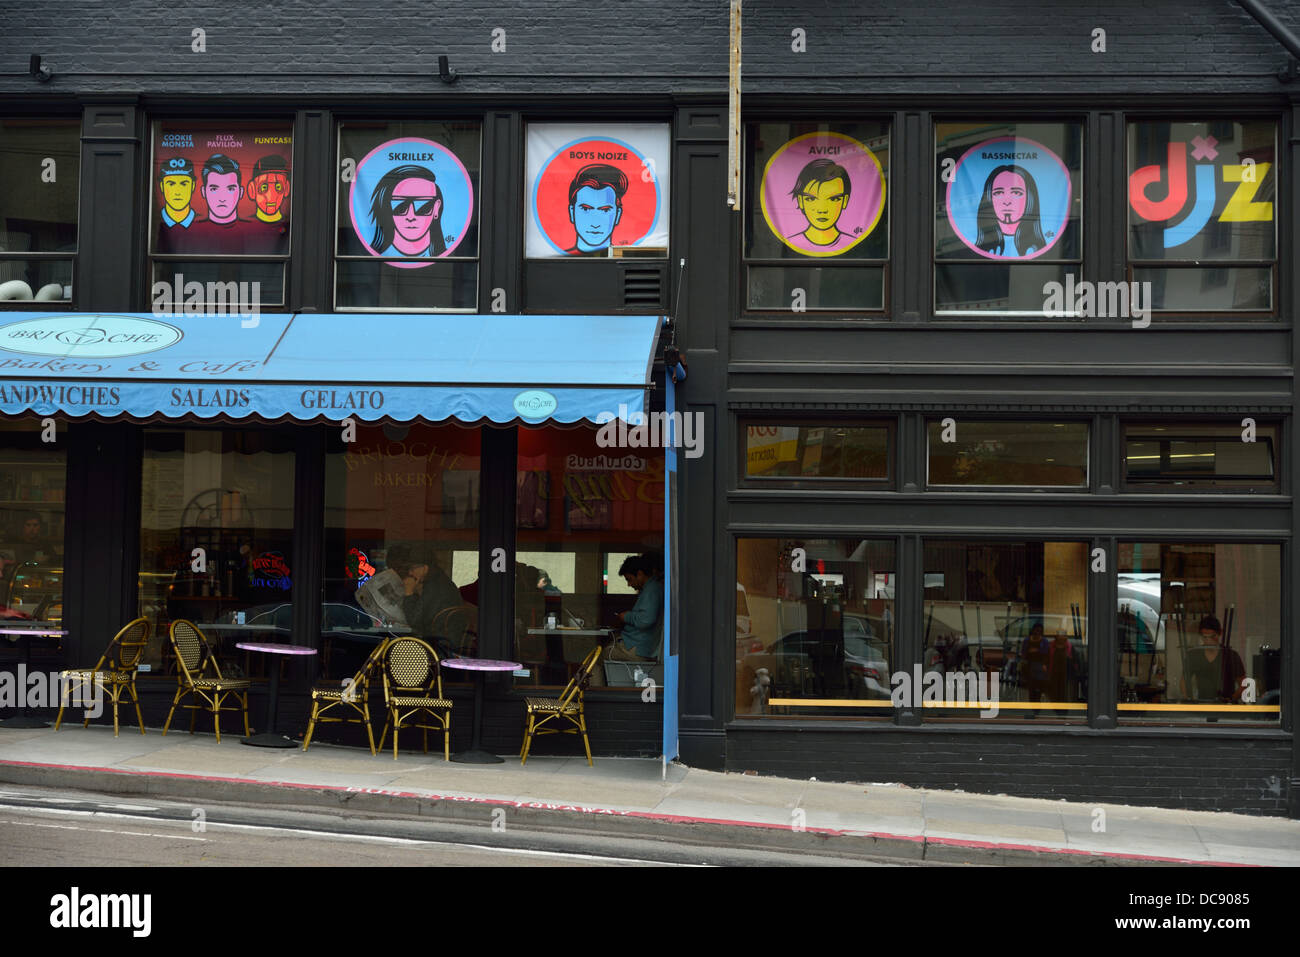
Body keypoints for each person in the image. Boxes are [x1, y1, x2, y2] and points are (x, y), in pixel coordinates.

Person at [367, 165, 446, 257]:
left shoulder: (451, 259)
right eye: (400, 207)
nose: (411, 216)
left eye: (423, 207)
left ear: (436, 208)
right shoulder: (368, 258)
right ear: (386, 207)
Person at [974, 163, 1047, 257]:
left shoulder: (1044, 252)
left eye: (1016, 193)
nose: (1007, 201)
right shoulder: (972, 253)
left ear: (1029, 198)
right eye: (999, 193)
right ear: (989, 198)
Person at [399, 544, 464, 644]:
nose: (410, 573)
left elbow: (414, 621)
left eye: (412, 568)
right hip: (444, 639)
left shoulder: (434, 586)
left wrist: (409, 593)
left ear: (425, 568)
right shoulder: (439, 580)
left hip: (440, 644)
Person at [787, 158, 855, 251]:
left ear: (845, 201)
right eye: (811, 199)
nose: (822, 210)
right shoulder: (792, 243)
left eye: (833, 199)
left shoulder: (852, 244)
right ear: (800, 201)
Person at [187, 154, 249, 253]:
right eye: (214, 189)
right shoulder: (191, 232)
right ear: (203, 191)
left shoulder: (252, 231)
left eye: (230, 189)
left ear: (241, 192)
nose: (222, 198)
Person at [606, 554, 663, 662]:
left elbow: (646, 620)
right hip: (642, 645)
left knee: (600, 656)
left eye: (629, 579)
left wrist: (626, 616)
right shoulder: (651, 589)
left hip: (639, 648)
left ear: (640, 574)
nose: (628, 584)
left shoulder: (652, 590)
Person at [1182, 615, 1246, 703]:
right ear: (1200, 635)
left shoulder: (1231, 656)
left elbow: (1244, 684)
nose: (1209, 641)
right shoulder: (1194, 655)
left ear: (1220, 633)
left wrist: (1231, 699)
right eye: (1205, 637)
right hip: (1202, 706)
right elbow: (1184, 682)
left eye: (1213, 636)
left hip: (1227, 709)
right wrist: (1189, 700)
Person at [566, 163, 627, 255]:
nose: (595, 224)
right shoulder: (555, 258)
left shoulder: (627, 256)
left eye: (605, 210)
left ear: (618, 215)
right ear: (572, 212)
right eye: (586, 209)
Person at [243, 154, 291, 254]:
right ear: (251, 190)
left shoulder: (291, 226)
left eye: (278, 187)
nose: (271, 197)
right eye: (264, 187)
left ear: (286, 189)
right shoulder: (243, 227)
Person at [155, 156, 198, 253]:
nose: (177, 192)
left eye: (184, 184)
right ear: (162, 186)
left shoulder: (201, 224)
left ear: (193, 186)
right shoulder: (155, 221)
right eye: (171, 184)